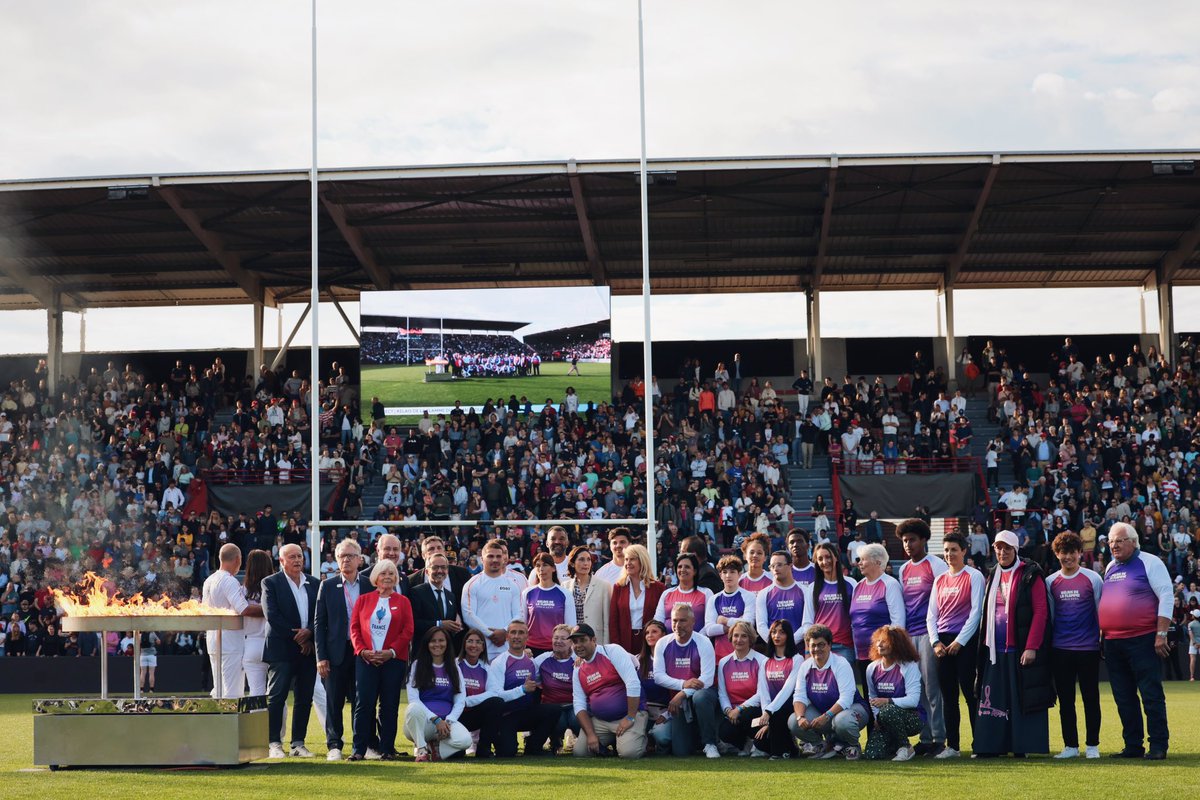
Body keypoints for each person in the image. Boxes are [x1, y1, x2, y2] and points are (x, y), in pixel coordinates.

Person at [974, 530, 1053, 758]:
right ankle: (991, 746)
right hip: (994, 651)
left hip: (1018, 649)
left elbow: (1040, 612)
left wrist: (1031, 646)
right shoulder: (992, 574)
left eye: (1007, 548)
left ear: (1016, 550)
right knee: (994, 700)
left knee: (1019, 700)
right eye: (998, 547)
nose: (1002, 552)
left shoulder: (1030, 574)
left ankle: (1021, 746)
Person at [1098, 521, 1173, 760]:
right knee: (1123, 696)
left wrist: (1161, 634)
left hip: (1142, 639)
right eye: (1110, 541)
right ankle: (1132, 745)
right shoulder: (1110, 566)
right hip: (1113, 642)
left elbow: (1166, 596)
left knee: (1150, 693)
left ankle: (1158, 745)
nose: (1114, 545)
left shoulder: (1150, 562)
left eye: (1119, 540)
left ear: (1133, 541)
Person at [314, 537, 375, 761]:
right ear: (336, 560)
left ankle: (364, 744)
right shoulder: (327, 585)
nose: (346, 560)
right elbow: (320, 624)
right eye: (342, 556)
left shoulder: (370, 584)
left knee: (362, 700)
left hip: (363, 652)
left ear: (360, 559)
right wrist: (321, 657)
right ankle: (334, 746)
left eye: (350, 556)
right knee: (334, 701)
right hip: (336, 652)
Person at [927, 531, 985, 759]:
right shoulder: (940, 579)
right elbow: (931, 615)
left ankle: (980, 744)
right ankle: (953, 746)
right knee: (948, 698)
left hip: (966, 642)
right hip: (942, 643)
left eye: (954, 550)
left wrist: (960, 641)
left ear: (964, 551)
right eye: (946, 550)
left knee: (971, 696)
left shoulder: (974, 576)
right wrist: (935, 642)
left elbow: (976, 612)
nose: (949, 554)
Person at [1046, 531, 1104, 759]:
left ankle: (1092, 745)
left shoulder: (1093, 579)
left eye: (1071, 552)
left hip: (1088, 649)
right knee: (1066, 701)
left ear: (1080, 553)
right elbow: (1050, 617)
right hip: (1060, 649)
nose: (1067, 557)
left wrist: (1101, 641)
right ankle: (1070, 746)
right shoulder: (1051, 582)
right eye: (1062, 553)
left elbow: (1101, 612)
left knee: (1091, 698)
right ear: (1057, 554)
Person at [349, 558, 414, 761]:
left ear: (396, 578)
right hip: (366, 659)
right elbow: (354, 628)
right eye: (383, 573)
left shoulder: (403, 602)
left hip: (393, 661)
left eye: (391, 574)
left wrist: (391, 652)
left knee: (389, 705)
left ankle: (387, 749)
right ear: (376, 577)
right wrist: (362, 651)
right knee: (363, 704)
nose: (387, 577)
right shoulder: (363, 600)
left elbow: (408, 630)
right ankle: (358, 749)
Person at [896, 518, 949, 756]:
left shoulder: (936, 565)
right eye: (905, 541)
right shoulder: (903, 569)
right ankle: (925, 738)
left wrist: (937, 637)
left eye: (912, 540)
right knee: (918, 689)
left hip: (930, 634)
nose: (908, 544)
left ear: (924, 540)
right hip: (910, 636)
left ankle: (939, 738)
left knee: (932, 688)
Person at [263, 543, 320, 759]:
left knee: (304, 698)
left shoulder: (314, 583)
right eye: (292, 557)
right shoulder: (270, 583)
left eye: (300, 556)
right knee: (277, 697)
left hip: (307, 650)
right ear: (282, 560)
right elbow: (273, 616)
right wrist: (299, 638)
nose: (297, 560)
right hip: (282, 649)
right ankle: (274, 742)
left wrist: (310, 634)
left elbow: (320, 615)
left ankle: (298, 743)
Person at [789, 624, 869, 760]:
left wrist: (826, 716)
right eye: (813, 645)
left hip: (851, 710)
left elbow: (846, 699)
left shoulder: (841, 664)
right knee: (793, 721)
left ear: (829, 645)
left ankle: (852, 745)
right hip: (824, 713)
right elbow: (799, 696)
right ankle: (822, 746)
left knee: (842, 721)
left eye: (821, 645)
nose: (816, 649)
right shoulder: (805, 666)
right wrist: (800, 717)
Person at [570, 622, 647, 759]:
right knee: (580, 752)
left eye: (583, 640)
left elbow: (633, 684)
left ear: (594, 640)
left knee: (629, 753)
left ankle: (641, 737)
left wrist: (630, 717)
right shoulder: (577, 669)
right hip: (601, 720)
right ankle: (613, 741)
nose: (578, 645)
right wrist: (591, 734)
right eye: (575, 642)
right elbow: (579, 704)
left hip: (629, 715)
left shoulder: (611, 651)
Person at [653, 603, 720, 758]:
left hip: (701, 696)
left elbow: (707, 679)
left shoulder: (703, 642)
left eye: (682, 621)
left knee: (701, 696)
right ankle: (696, 740)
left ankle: (710, 743)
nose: (677, 625)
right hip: (678, 704)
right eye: (674, 620)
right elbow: (658, 676)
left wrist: (682, 693)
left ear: (693, 622)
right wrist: (683, 684)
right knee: (680, 752)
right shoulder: (663, 643)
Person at [201, 543, 263, 699]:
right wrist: (270, 610)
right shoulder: (229, 581)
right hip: (230, 642)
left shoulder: (209, 580)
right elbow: (244, 609)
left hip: (213, 639)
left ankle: (217, 722)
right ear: (237, 559)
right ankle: (229, 722)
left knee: (218, 689)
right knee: (232, 691)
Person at [404, 627, 472, 762]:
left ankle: (437, 750)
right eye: (433, 641)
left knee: (465, 741)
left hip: (446, 723)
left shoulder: (453, 666)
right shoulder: (418, 665)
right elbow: (413, 698)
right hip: (424, 724)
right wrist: (435, 719)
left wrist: (448, 721)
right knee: (412, 708)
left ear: (447, 644)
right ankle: (422, 750)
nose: (437, 644)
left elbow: (460, 699)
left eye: (441, 640)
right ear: (427, 644)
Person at [849, 543, 905, 694]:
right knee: (869, 699)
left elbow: (898, 622)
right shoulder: (858, 586)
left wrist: (890, 652)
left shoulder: (890, 584)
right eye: (858, 559)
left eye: (863, 559)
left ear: (878, 562)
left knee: (885, 700)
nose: (859, 563)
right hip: (862, 654)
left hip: (883, 655)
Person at [863, 625, 924, 761]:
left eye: (884, 641)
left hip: (912, 717)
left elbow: (913, 700)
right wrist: (876, 717)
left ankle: (905, 747)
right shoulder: (872, 668)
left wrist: (888, 701)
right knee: (872, 755)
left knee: (888, 710)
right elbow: (872, 697)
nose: (879, 644)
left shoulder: (909, 666)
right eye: (878, 640)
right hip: (884, 717)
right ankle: (894, 744)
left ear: (896, 644)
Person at [463, 539, 525, 660]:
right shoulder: (472, 584)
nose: (495, 560)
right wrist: (490, 634)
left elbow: (519, 614)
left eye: (498, 556)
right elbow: (468, 615)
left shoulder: (513, 585)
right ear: (482, 558)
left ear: (503, 559)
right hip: (481, 649)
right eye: (490, 556)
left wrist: (505, 631)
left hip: (506, 647)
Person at [487, 618, 540, 757]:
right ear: (507, 636)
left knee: (553, 711)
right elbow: (496, 695)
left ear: (527, 637)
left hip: (526, 713)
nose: (517, 636)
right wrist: (522, 690)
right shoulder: (499, 662)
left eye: (521, 632)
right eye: (513, 632)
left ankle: (533, 747)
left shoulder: (532, 662)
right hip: (506, 715)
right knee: (507, 753)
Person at [716, 620, 767, 756]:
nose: (739, 639)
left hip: (755, 713)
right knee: (725, 732)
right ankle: (744, 744)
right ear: (731, 638)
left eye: (744, 636)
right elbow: (722, 693)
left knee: (747, 715)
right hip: (733, 714)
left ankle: (759, 745)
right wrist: (728, 711)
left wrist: (740, 709)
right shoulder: (724, 663)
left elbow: (761, 693)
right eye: (736, 635)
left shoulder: (761, 661)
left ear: (750, 639)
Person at [800, 542, 857, 662]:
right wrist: (807, 651)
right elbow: (807, 622)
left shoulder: (851, 584)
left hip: (844, 646)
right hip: (819, 646)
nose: (825, 562)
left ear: (836, 557)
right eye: (820, 558)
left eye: (828, 557)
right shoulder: (812, 588)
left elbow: (857, 617)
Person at [529, 624, 580, 755]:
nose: (558, 641)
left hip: (574, 705)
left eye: (563, 638)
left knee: (575, 719)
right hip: (552, 707)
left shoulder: (579, 660)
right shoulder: (542, 660)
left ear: (571, 642)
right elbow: (529, 675)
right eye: (555, 638)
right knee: (559, 721)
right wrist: (525, 656)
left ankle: (583, 741)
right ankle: (555, 742)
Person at [754, 619, 801, 759]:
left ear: (789, 636)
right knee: (759, 741)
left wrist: (769, 711)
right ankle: (791, 748)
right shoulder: (765, 662)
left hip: (790, 707)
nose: (777, 636)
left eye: (781, 632)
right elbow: (763, 692)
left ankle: (779, 753)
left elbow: (788, 689)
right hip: (771, 710)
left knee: (777, 716)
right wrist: (765, 714)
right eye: (774, 632)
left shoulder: (797, 659)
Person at [456, 628, 504, 758]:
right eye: (470, 641)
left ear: (483, 647)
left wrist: (467, 701)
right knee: (456, 755)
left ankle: (484, 749)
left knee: (496, 703)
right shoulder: (455, 664)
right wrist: (461, 702)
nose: (474, 645)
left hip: (474, 715)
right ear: (464, 644)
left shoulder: (486, 668)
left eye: (478, 642)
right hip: (455, 716)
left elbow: (494, 692)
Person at [609, 544, 665, 654]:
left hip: (650, 642)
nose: (628, 563)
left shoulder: (659, 588)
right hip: (624, 643)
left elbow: (661, 620)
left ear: (642, 561)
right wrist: (616, 647)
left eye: (632, 559)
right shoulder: (618, 587)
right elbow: (613, 621)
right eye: (626, 559)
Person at [409, 553, 466, 654]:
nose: (439, 571)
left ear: (447, 571)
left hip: (445, 653)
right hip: (423, 652)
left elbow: (449, 623)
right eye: (435, 567)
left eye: (443, 567)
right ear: (427, 571)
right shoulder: (416, 592)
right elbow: (414, 623)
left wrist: (455, 627)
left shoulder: (451, 596)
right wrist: (439, 624)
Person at [705, 555, 757, 662]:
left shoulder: (749, 596)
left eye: (732, 572)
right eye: (724, 572)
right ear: (720, 575)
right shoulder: (714, 599)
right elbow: (709, 630)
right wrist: (738, 624)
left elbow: (749, 624)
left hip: (745, 655)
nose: (728, 575)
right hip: (720, 655)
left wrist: (724, 621)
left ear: (739, 574)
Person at [522, 553, 576, 654]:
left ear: (553, 569)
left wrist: (571, 652)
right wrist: (522, 648)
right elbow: (522, 624)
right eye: (538, 565)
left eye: (545, 565)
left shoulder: (565, 594)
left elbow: (571, 627)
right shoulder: (527, 593)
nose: (541, 569)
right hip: (531, 649)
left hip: (557, 648)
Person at [755, 550, 807, 648]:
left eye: (779, 565)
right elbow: (761, 626)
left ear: (791, 566)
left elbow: (807, 623)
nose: (775, 569)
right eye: (772, 566)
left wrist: (790, 642)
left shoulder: (805, 591)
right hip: (775, 651)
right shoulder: (763, 594)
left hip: (799, 650)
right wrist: (775, 642)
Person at [241, 549, 274, 700]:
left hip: (251, 643)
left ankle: (258, 724)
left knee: (256, 693)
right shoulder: (275, 588)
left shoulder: (243, 591)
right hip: (273, 643)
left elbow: (242, 610)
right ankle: (279, 725)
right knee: (277, 695)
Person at [653, 552, 714, 633]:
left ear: (695, 571)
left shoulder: (706, 593)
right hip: (670, 642)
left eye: (687, 567)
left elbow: (709, 624)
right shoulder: (666, 594)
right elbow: (658, 622)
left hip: (696, 643)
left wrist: (694, 640)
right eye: (679, 567)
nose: (682, 570)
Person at [562, 545, 611, 645]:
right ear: (572, 563)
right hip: (572, 641)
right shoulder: (565, 586)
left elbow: (607, 621)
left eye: (588, 560)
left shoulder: (604, 586)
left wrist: (606, 647)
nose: (586, 563)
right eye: (581, 560)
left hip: (595, 641)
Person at [1189, 610, 1200, 682]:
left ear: (1193, 616)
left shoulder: (1190, 624)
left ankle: (1192, 677)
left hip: (1193, 644)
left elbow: (1191, 634)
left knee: (1192, 659)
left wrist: (1194, 643)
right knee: (1193, 659)